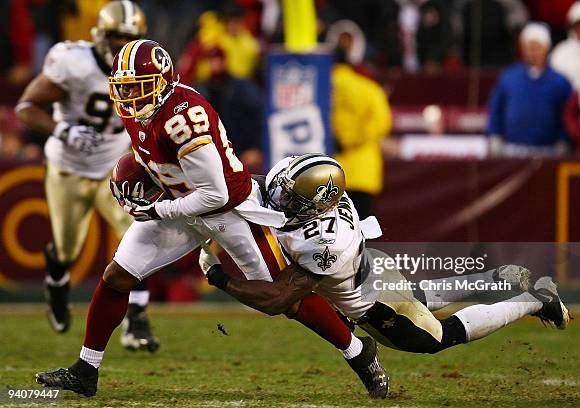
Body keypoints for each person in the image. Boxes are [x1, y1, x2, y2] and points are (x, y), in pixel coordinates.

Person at [34, 40, 383, 398]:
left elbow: (214, 194)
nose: (128, 97)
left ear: (162, 82)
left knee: (283, 297)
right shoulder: (137, 109)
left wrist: (158, 209)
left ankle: (358, 352)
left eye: (137, 88)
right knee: (117, 276)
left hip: (230, 211)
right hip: (182, 202)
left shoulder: (183, 119)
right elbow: (150, 158)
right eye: (123, 88)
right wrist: (129, 177)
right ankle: (86, 369)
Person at [200, 153, 570, 394]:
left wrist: (220, 278)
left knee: (436, 336)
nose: (278, 202)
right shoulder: (309, 196)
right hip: (370, 269)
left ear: (316, 204)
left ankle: (533, 300)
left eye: (290, 200)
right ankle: (496, 280)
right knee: (417, 300)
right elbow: (257, 186)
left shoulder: (325, 242)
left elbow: (277, 299)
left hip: (371, 301)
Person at [15, 1, 161, 351]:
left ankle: (136, 321)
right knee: (68, 247)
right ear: (100, 34)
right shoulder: (73, 62)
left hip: (115, 165)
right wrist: (62, 129)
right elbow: (26, 107)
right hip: (69, 166)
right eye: (115, 37)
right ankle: (57, 281)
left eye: (128, 37)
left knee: (138, 235)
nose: (120, 45)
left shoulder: (143, 64)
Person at [486, 22, 573, 156]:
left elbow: (567, 114)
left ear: (546, 48)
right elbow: (496, 109)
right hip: (512, 151)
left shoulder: (560, 82)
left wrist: (564, 140)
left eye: (537, 47)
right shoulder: (508, 77)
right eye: (529, 47)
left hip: (548, 152)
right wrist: (494, 135)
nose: (533, 52)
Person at [331, 48, 391, 218]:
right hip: (362, 171)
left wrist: (339, 140)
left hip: (325, 174)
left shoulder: (318, 88)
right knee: (362, 230)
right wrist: (350, 140)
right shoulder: (369, 88)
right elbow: (382, 121)